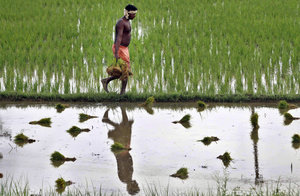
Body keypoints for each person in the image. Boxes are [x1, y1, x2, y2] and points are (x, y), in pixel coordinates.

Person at [101, 4, 138, 95]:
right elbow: (118, 38)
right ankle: (122, 93)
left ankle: (107, 81)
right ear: (128, 13)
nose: (135, 16)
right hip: (120, 48)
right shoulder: (121, 23)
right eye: (134, 14)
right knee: (125, 71)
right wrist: (116, 52)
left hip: (124, 48)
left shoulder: (127, 21)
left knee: (126, 71)